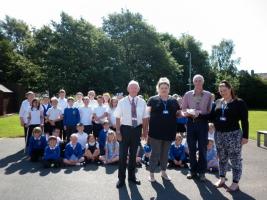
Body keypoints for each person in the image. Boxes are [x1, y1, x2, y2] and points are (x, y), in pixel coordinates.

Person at [210, 80, 249, 192]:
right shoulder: (218, 102)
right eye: (220, 91)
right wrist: (198, 114)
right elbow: (212, 116)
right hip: (219, 135)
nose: (222, 92)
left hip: (234, 135)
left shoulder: (239, 102)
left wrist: (245, 136)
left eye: (224, 90)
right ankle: (222, 179)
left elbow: (245, 121)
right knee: (221, 159)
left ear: (230, 89)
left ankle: (235, 183)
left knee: (235, 159)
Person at [115, 80, 149, 188]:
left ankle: (132, 177)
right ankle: (121, 179)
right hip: (124, 130)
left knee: (134, 155)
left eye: (135, 88)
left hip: (137, 130)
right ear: (128, 89)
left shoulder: (143, 102)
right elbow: (117, 117)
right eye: (131, 87)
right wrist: (118, 132)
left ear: (138, 89)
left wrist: (145, 131)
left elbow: (145, 118)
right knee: (122, 156)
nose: (133, 90)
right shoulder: (122, 101)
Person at [147, 77, 180, 182]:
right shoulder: (152, 100)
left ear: (169, 89)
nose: (164, 89)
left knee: (165, 154)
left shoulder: (174, 101)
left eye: (166, 88)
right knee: (155, 153)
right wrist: (145, 129)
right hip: (155, 132)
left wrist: (188, 112)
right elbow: (146, 114)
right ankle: (151, 174)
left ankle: (163, 172)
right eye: (162, 88)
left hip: (169, 132)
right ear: (158, 88)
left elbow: (179, 113)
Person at [182, 74, 212, 181]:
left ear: (203, 82)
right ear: (193, 82)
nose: (198, 82)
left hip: (203, 123)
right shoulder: (187, 94)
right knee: (191, 148)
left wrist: (201, 114)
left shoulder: (208, 95)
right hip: (191, 123)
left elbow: (210, 111)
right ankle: (192, 170)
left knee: (203, 148)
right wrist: (189, 112)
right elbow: (183, 109)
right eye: (196, 81)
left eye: (200, 80)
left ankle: (202, 172)